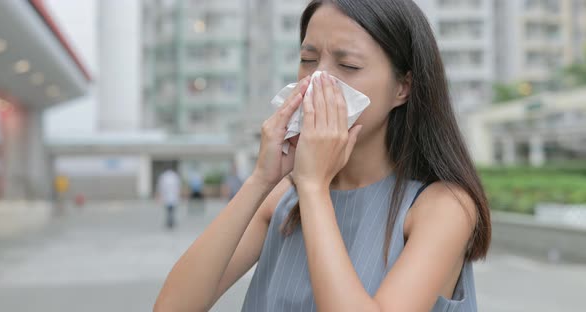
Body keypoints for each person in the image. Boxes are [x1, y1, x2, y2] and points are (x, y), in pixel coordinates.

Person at [154, 1, 491, 311]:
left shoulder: (443, 207)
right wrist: (261, 179)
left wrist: (314, 188)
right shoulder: (282, 196)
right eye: (308, 60)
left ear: (402, 87)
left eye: (348, 65)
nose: (318, 79)